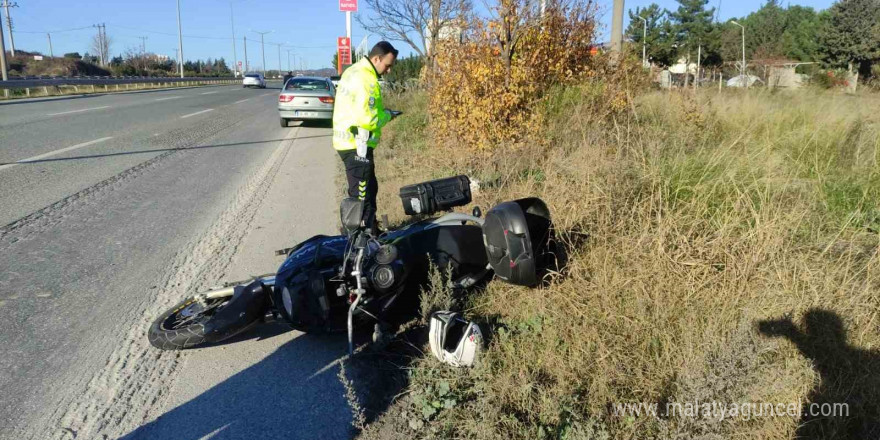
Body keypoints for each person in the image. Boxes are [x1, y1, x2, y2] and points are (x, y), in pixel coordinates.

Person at [332, 41, 398, 231]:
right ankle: (363, 239)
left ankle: (365, 230)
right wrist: (388, 115)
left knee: (367, 188)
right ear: (376, 59)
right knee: (363, 196)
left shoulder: (353, 71)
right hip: (356, 145)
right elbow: (367, 119)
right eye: (387, 65)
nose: (388, 71)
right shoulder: (365, 79)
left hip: (349, 143)